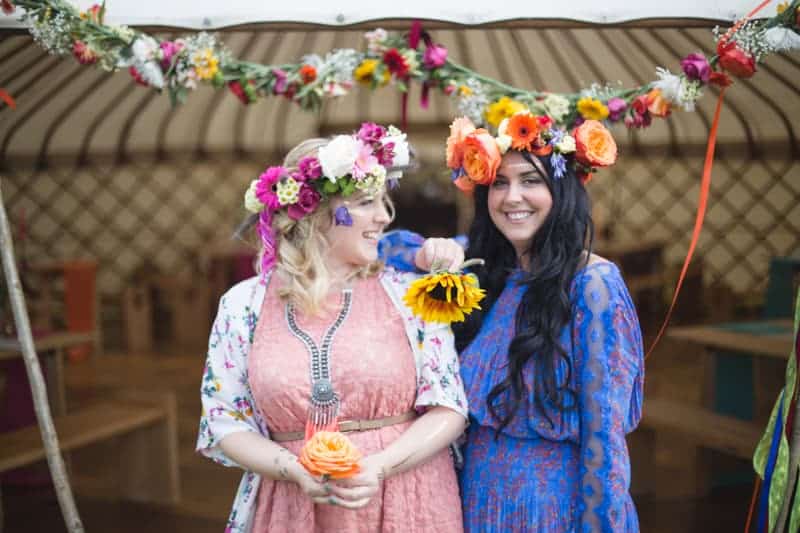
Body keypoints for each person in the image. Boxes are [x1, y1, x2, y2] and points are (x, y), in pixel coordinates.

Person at [196, 124, 468, 533]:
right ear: (316, 212)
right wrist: (292, 468)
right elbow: (224, 418)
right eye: (366, 202)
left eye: (384, 202)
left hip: (408, 499)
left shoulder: (410, 295)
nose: (384, 216)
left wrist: (379, 467)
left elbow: (449, 406)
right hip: (293, 505)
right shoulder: (242, 305)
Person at [383, 114, 645, 532]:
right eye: (499, 183)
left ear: (562, 190)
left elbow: (605, 441)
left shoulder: (593, 284)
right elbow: (380, 248)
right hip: (475, 503)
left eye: (530, 180)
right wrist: (425, 253)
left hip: (552, 510)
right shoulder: (488, 272)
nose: (512, 197)